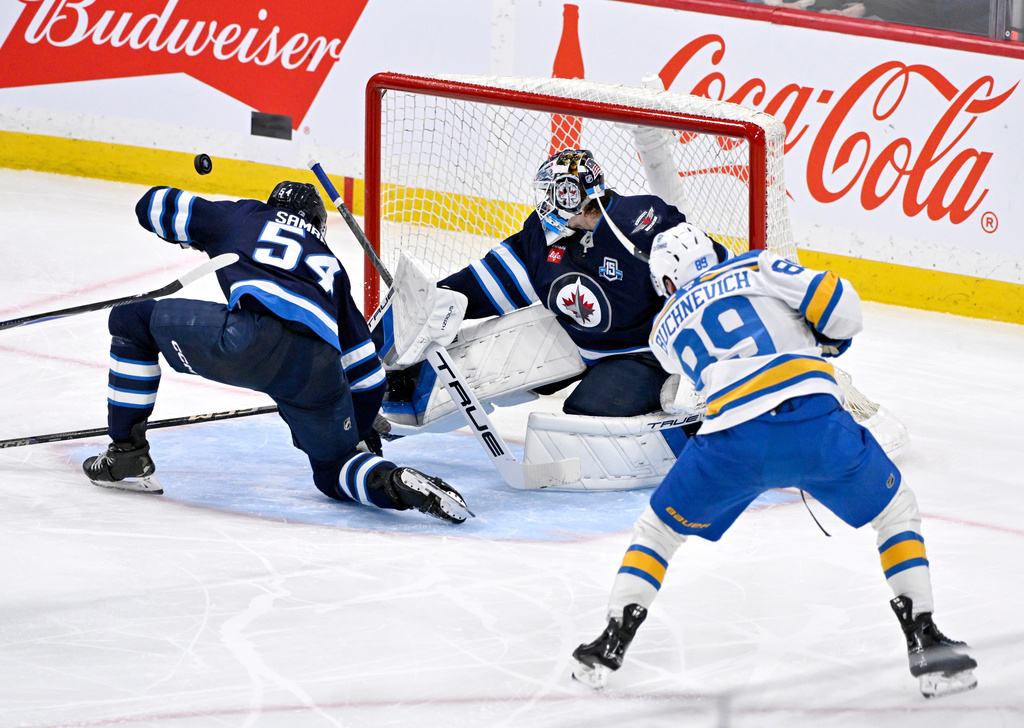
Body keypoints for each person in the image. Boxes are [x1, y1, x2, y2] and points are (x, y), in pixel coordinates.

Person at [570, 222, 977, 698]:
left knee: (658, 533)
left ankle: (611, 640)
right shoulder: (757, 264)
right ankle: (925, 638)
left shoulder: (663, 331)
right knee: (896, 512)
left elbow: (697, 366)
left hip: (730, 441)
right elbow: (842, 308)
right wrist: (824, 339)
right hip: (814, 422)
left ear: (665, 284)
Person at [82, 181, 472, 524]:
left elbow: (153, 205)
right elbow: (368, 375)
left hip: (248, 340)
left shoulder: (244, 215)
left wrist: (197, 233)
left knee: (131, 321)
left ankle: (126, 454)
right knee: (333, 470)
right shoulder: (332, 268)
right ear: (317, 226)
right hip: (317, 371)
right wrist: (360, 429)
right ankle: (392, 482)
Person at [431, 148, 726, 419]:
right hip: (578, 340)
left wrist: (699, 367)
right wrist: (440, 299)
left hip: (643, 353)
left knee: (585, 414)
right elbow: (498, 277)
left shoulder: (639, 228)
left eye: (550, 194)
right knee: (472, 372)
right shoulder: (546, 233)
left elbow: (707, 271)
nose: (545, 203)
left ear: (570, 196)